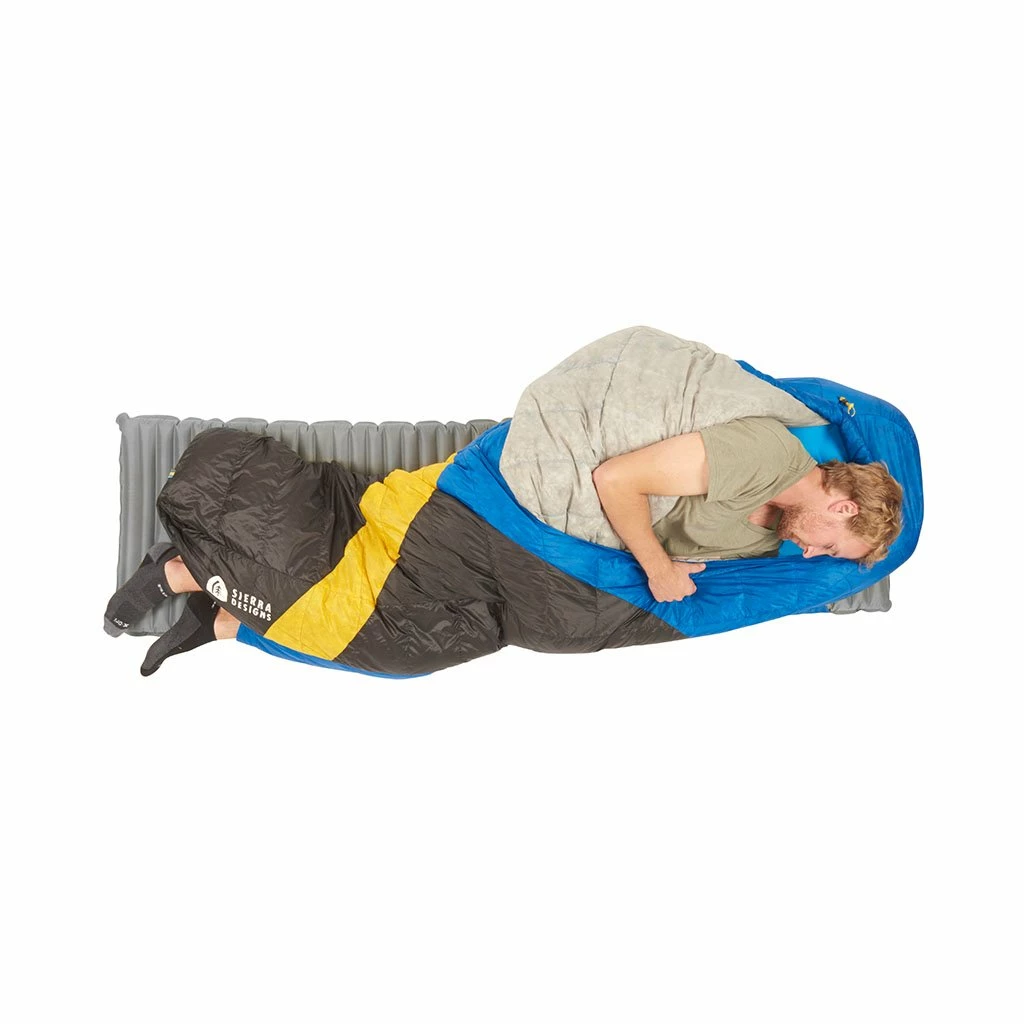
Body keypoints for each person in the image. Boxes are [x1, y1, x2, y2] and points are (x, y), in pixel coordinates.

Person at [106, 413, 902, 675]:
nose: (817, 560)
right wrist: (657, 568)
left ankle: (223, 621)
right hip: (487, 518)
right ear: (839, 503)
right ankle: (185, 574)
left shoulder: (771, 516)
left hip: (518, 565)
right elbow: (619, 479)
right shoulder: (759, 460)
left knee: (411, 646)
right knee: (370, 622)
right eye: (836, 546)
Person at [592, 416, 903, 603]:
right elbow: (615, 479)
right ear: (844, 508)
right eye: (829, 547)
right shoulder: (765, 455)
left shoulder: (763, 546)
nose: (810, 554)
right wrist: (659, 570)